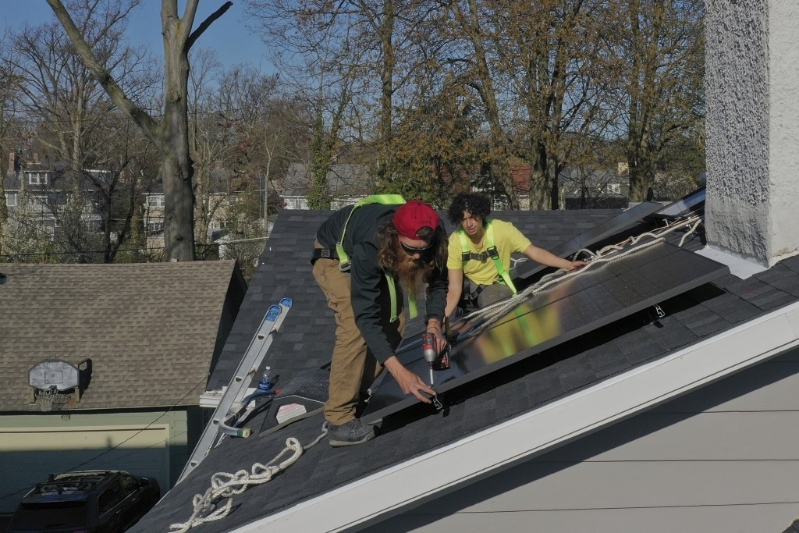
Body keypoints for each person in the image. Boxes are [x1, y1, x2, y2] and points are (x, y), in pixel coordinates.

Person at [312, 199, 449, 446]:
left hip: (381, 255)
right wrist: (400, 373)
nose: (417, 256)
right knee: (354, 327)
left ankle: (355, 393)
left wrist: (434, 325)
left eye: (423, 249)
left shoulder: (436, 237)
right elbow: (365, 316)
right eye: (410, 249)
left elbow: (438, 283)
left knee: (396, 322)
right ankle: (339, 417)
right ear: (396, 236)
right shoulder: (370, 244)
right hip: (334, 255)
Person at [445, 193, 587, 317]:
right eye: (463, 220)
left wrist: (567, 264)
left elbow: (534, 252)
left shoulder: (503, 230)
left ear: (481, 214)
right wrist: (440, 320)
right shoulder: (456, 241)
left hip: (495, 289)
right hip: (469, 292)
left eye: (472, 217)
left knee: (498, 304)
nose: (469, 224)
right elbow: (454, 287)